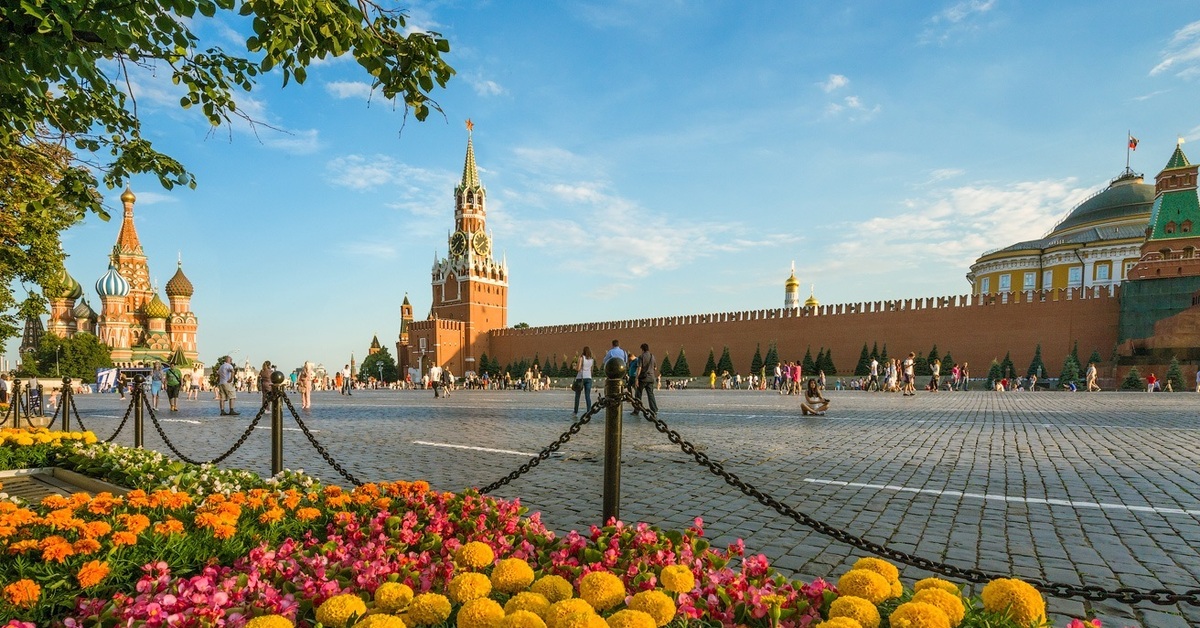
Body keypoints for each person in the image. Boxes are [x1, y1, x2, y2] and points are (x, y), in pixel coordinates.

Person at [635, 343, 658, 415]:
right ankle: (654, 409)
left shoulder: (641, 357)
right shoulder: (652, 356)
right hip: (651, 378)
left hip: (643, 378)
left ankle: (637, 410)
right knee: (650, 394)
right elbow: (655, 368)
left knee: (638, 394)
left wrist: (636, 378)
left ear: (642, 349)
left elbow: (639, 368)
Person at [573, 346, 594, 416]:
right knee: (587, 395)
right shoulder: (591, 359)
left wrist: (574, 367)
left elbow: (578, 368)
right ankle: (589, 410)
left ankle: (575, 411)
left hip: (580, 378)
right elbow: (591, 370)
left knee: (577, 396)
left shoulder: (581, 357)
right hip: (589, 378)